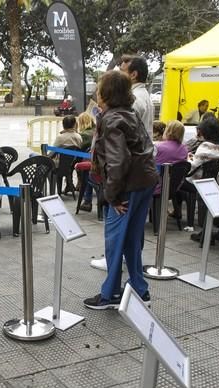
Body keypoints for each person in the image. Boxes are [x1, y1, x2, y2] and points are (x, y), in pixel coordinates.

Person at [83, 70, 158, 310]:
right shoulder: (129, 114)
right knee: (132, 240)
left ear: (106, 93)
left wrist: (111, 196)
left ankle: (110, 294)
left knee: (115, 241)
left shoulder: (112, 119)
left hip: (127, 186)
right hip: (143, 181)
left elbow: (117, 161)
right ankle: (138, 287)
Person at [119, 55, 153, 137]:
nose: (118, 75)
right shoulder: (143, 95)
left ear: (133, 75)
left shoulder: (133, 99)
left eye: (122, 71)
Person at [51, 115, 83, 194]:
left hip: (59, 166)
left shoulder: (60, 137)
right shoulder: (78, 137)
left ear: (63, 125)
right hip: (72, 165)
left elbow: (52, 153)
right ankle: (69, 185)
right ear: (74, 124)